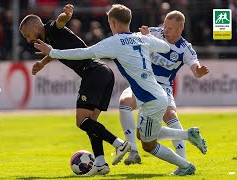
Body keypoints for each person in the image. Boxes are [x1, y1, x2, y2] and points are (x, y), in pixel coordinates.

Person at [34, 4, 207, 176]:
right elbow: (166, 48)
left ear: (114, 24)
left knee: (148, 144)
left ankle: (185, 165)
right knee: (143, 134)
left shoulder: (114, 42)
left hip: (151, 100)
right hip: (157, 95)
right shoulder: (141, 38)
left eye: (110, 24)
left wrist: (53, 52)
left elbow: (83, 53)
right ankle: (186, 135)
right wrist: (148, 39)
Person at [19, 4, 131, 176]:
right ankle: (100, 162)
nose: (28, 40)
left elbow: (60, 22)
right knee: (90, 123)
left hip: (92, 72)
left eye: (27, 35)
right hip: (103, 72)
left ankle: (118, 144)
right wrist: (42, 63)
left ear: (36, 27)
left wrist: (66, 15)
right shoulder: (50, 40)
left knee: (81, 121)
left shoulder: (50, 28)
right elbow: (55, 52)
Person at [119, 10, 209, 166]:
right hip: (144, 82)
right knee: (125, 103)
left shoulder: (185, 48)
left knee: (169, 115)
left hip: (162, 87)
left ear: (181, 28)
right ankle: (133, 151)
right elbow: (131, 41)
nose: (165, 31)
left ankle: (183, 161)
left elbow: (196, 69)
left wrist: (199, 72)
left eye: (170, 28)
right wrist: (142, 36)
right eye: (165, 26)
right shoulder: (154, 33)